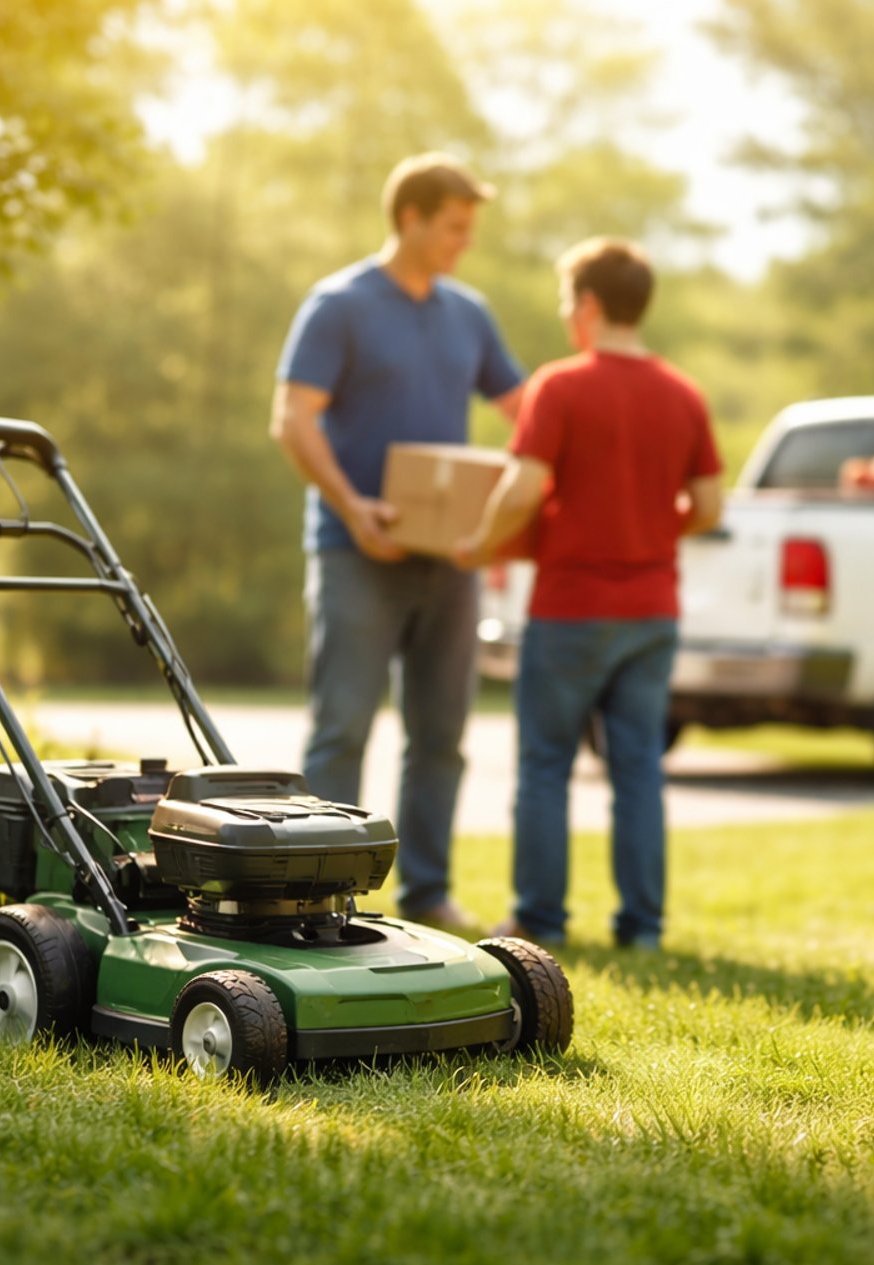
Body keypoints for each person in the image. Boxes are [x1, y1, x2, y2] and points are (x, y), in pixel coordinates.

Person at [270, 153, 524, 931]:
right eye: (453, 227)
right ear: (409, 219)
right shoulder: (339, 305)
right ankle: (311, 891)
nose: (463, 243)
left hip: (449, 562)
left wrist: (511, 513)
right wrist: (353, 509)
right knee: (343, 724)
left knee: (442, 733)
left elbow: (526, 412)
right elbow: (292, 419)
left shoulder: (468, 313)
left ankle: (426, 892)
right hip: (357, 552)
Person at [455, 237, 723, 949]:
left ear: (592, 304)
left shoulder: (561, 385)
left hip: (572, 609)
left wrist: (480, 545)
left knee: (546, 766)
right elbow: (709, 504)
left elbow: (523, 487)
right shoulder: (683, 393)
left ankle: (541, 919)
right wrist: (650, 530)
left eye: (568, 301)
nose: (566, 315)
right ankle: (643, 928)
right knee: (638, 770)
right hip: (652, 612)